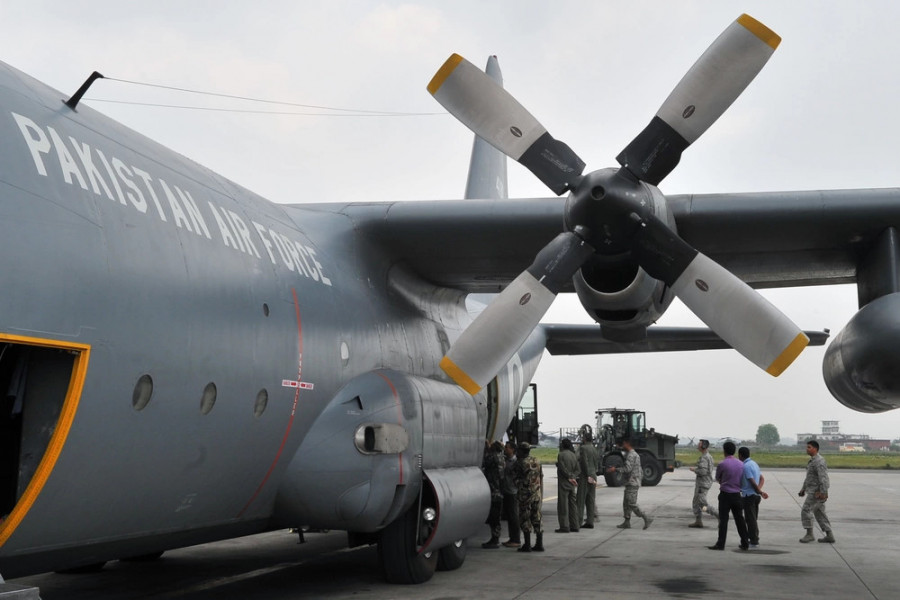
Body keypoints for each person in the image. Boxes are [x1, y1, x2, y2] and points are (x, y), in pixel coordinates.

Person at [708, 441, 749, 550]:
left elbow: (718, 478)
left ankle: (721, 543)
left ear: (724, 451)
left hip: (725, 495)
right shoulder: (741, 464)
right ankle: (745, 542)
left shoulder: (722, 464)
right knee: (740, 519)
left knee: (723, 520)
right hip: (736, 495)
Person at [607, 438, 653, 530]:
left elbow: (627, 469)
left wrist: (615, 469)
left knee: (631, 503)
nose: (621, 447)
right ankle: (627, 522)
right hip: (631, 482)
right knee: (626, 503)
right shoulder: (632, 454)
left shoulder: (631, 455)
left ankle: (646, 517)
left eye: (621, 445)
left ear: (625, 443)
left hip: (633, 482)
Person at [799, 440, 835, 543]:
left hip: (816, 492)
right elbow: (809, 477)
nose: (807, 449)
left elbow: (823, 478)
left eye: (809, 447)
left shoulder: (819, 461)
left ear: (815, 449)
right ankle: (829, 535)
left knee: (806, 509)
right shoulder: (812, 461)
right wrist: (803, 489)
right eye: (807, 447)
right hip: (812, 490)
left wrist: (823, 492)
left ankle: (809, 534)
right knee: (819, 512)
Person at [514, 442, 544, 552]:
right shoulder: (536, 461)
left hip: (525, 495)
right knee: (537, 517)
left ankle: (527, 545)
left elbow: (515, 477)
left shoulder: (520, 462)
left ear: (521, 451)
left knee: (525, 518)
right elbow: (540, 476)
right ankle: (539, 543)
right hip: (536, 493)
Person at [738, 446, 768, 548]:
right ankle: (753, 539)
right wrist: (759, 491)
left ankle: (754, 541)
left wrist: (759, 491)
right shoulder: (754, 464)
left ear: (740, 455)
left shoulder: (745, 466)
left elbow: (752, 481)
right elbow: (762, 479)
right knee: (753, 518)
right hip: (755, 495)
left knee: (750, 519)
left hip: (749, 496)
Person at [688, 439, 718, 528]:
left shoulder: (705, 457)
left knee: (703, 505)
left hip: (702, 484)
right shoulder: (708, 456)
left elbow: (703, 471)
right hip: (702, 483)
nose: (698, 445)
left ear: (703, 446)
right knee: (696, 502)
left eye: (699, 444)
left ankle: (718, 515)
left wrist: (695, 470)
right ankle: (698, 520)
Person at [480, 441, 505, 548]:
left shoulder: (493, 457)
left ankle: (495, 540)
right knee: (496, 517)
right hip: (499, 491)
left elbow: (483, 463)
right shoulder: (501, 457)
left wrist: (486, 449)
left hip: (493, 491)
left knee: (494, 518)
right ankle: (496, 538)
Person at [576, 428, 600, 528]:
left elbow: (584, 462)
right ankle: (590, 521)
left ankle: (578, 522)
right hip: (593, 474)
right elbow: (596, 463)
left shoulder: (583, 448)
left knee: (581, 499)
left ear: (585, 439)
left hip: (585, 476)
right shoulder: (594, 449)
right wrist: (593, 474)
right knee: (590, 499)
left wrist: (586, 475)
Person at [555, 438, 579, 533]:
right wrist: (573, 477)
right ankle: (575, 525)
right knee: (573, 505)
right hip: (572, 484)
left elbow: (562, 468)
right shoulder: (573, 455)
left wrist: (569, 476)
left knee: (563, 505)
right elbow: (578, 469)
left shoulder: (561, 455)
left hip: (564, 483)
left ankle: (564, 526)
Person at [501, 441, 521, 547]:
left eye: (507, 448)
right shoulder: (506, 460)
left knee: (514, 516)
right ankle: (512, 538)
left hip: (513, 491)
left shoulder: (515, 462)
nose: (505, 449)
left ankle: (516, 539)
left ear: (513, 449)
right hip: (507, 490)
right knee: (509, 516)